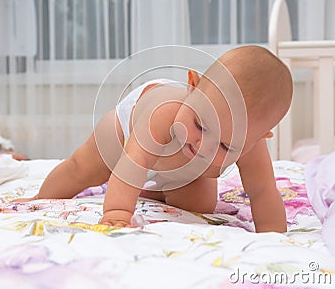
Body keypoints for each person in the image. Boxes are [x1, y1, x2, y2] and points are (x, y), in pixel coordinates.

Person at [15, 46, 293, 233]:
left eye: (225, 146)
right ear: (192, 87)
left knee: (200, 205)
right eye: (200, 124)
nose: (204, 145)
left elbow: (263, 192)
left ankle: (157, 191)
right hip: (127, 132)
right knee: (83, 168)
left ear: (258, 138)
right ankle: (42, 195)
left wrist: (275, 238)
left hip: (184, 168)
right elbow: (134, 162)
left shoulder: (249, 143)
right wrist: (118, 214)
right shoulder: (163, 112)